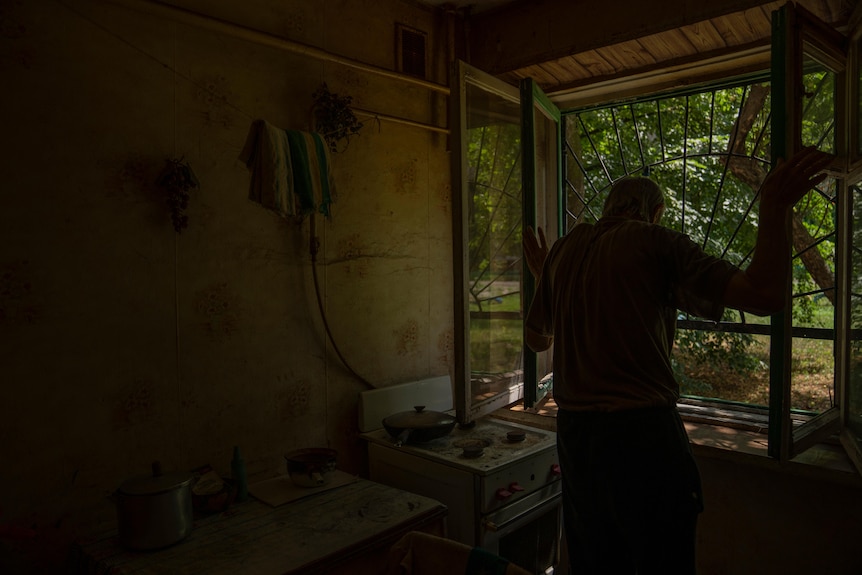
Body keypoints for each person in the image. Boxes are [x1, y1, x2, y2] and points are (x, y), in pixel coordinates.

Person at [522, 146, 832, 575]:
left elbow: (537, 341)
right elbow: (764, 295)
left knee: (596, 561)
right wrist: (774, 204)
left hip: (576, 440)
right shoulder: (652, 241)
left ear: (608, 206)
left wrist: (548, 277)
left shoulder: (563, 252)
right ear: (657, 212)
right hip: (641, 437)